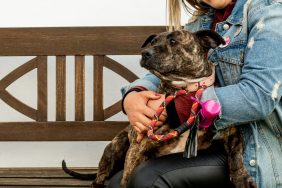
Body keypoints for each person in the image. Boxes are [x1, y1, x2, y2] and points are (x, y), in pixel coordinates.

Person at [108, 0, 282, 187]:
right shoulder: (201, 20)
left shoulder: (269, 14)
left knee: (148, 178)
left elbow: (258, 97)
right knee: (117, 182)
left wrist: (179, 104)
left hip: (252, 151)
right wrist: (134, 95)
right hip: (203, 143)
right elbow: (171, 69)